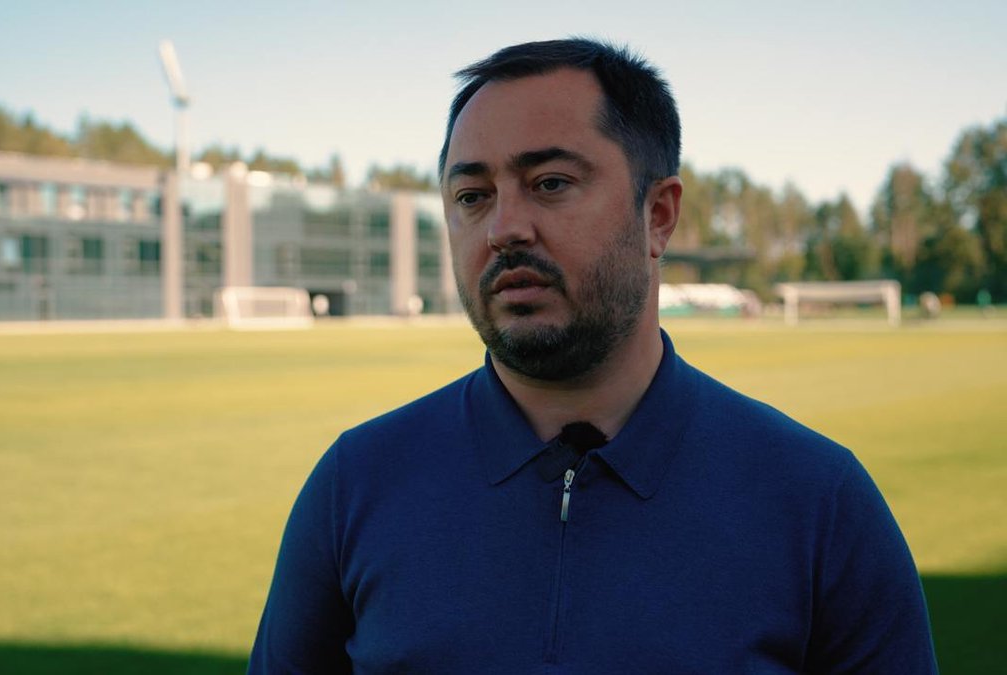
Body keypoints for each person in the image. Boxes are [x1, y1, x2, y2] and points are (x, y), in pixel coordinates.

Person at [249, 38, 937, 673]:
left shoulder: (818, 503)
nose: (503, 228)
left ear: (658, 215)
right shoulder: (354, 486)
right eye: (472, 196)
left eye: (550, 182)